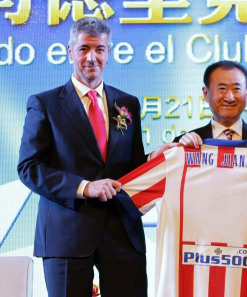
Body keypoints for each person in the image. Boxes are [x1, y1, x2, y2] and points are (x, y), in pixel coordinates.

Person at [17, 17, 147, 297]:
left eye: (99, 49)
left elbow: (135, 165)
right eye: (84, 48)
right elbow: (29, 167)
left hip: (122, 232)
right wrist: (84, 187)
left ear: (109, 53)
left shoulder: (127, 104)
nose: (92, 57)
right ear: (70, 51)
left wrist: (164, 156)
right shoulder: (44, 104)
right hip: (66, 234)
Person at [151, 60, 247, 158]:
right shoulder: (185, 143)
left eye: (237, 89)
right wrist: (160, 155)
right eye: (222, 89)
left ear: (246, 94)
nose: (230, 97)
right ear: (206, 93)